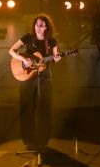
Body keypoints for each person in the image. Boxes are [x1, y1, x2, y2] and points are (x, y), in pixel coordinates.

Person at [8, 13, 61, 150]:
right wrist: (24, 59)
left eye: (41, 25)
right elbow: (12, 51)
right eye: (37, 25)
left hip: (45, 76)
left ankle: (43, 140)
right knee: (27, 107)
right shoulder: (28, 37)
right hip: (27, 76)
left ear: (46, 27)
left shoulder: (51, 41)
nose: (38, 27)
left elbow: (55, 57)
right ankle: (28, 139)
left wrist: (57, 58)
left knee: (44, 108)